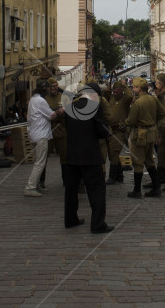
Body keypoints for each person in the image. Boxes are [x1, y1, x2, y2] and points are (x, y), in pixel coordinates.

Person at [64, 83, 113, 234]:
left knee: (71, 190)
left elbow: (67, 128)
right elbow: (101, 131)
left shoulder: (69, 107)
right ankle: (97, 224)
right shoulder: (94, 107)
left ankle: (70, 220)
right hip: (90, 156)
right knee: (96, 190)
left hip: (72, 155)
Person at [125, 77, 165, 198]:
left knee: (138, 162)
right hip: (151, 133)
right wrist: (153, 120)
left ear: (138, 88)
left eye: (133, 87)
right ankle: (156, 188)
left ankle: (137, 191)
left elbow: (131, 121)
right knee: (149, 161)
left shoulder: (138, 102)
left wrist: (125, 122)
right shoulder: (153, 99)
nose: (132, 89)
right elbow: (162, 113)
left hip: (140, 134)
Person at [24, 79, 63, 197]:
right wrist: (61, 111)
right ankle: (30, 187)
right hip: (41, 135)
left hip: (34, 134)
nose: (49, 90)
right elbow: (51, 115)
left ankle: (37, 185)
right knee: (40, 163)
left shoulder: (33, 99)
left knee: (38, 161)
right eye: (47, 88)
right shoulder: (41, 100)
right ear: (44, 89)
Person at [105, 81, 132, 185]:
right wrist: (107, 90)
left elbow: (129, 95)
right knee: (112, 153)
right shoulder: (111, 98)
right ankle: (119, 176)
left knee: (114, 152)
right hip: (110, 130)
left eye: (117, 92)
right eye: (114, 92)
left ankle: (112, 177)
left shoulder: (125, 100)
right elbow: (102, 97)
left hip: (120, 130)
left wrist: (124, 86)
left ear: (122, 92)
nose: (115, 94)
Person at [45, 78, 67, 187]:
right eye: (50, 86)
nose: (52, 88)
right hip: (48, 131)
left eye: (54, 86)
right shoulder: (44, 99)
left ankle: (66, 180)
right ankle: (41, 181)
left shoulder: (63, 98)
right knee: (44, 157)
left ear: (57, 86)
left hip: (62, 131)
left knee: (64, 158)